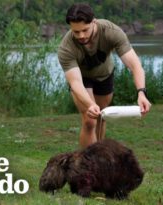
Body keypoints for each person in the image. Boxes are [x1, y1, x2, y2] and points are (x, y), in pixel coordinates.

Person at [58, 3, 151, 148]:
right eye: (76, 32)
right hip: (82, 80)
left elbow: (135, 65)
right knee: (89, 120)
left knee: (101, 117)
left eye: (85, 30)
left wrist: (141, 93)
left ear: (94, 22)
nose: (81, 36)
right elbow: (75, 83)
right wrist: (90, 104)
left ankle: (99, 159)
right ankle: (87, 164)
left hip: (104, 76)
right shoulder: (66, 47)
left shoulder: (111, 32)